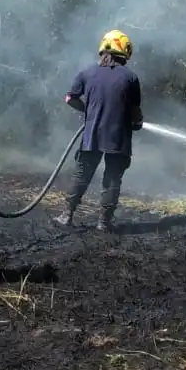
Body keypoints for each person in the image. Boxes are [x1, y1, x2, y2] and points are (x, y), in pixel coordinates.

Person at [52, 29, 144, 232]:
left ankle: (67, 215)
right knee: (112, 178)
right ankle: (104, 222)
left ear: (103, 49)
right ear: (125, 50)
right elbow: (135, 111)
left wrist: (89, 111)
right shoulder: (130, 77)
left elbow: (70, 98)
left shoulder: (87, 73)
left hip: (91, 135)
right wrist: (137, 123)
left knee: (82, 174)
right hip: (118, 138)